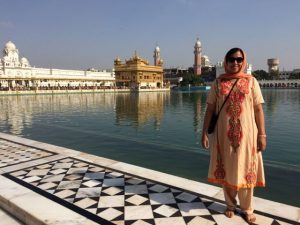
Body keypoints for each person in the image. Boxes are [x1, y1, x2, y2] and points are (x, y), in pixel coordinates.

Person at [201, 48, 266, 223]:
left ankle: (247, 208)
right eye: (231, 59)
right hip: (224, 135)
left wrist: (262, 134)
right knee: (227, 167)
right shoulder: (218, 83)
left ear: (243, 61)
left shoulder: (251, 82)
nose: (235, 63)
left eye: (238, 59)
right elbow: (210, 109)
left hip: (247, 136)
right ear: (225, 62)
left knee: (247, 168)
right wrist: (204, 133)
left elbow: (258, 109)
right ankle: (230, 205)